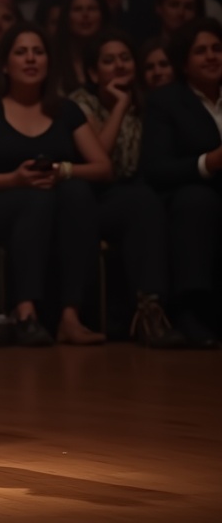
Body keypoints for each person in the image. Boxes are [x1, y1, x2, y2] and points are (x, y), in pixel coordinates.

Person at [0, 24, 112, 345]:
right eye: (21, 52)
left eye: (38, 52)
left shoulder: (65, 110)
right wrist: (14, 179)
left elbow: (103, 167)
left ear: (49, 63)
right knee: (35, 199)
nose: (31, 59)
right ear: (5, 64)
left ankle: (70, 315)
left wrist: (61, 171)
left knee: (74, 192)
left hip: (50, 208)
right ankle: (26, 312)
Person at [67, 31, 184, 346]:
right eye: (109, 61)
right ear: (94, 72)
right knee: (142, 202)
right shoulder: (81, 102)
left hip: (134, 192)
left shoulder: (150, 102)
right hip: (91, 197)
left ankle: (156, 310)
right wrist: (120, 105)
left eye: (125, 58)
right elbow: (102, 161)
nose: (119, 66)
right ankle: (147, 313)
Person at [141, 18, 222, 346]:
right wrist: (209, 162)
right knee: (196, 202)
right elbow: (157, 168)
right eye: (200, 51)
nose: (211, 56)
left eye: (217, 49)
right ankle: (191, 311)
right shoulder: (167, 102)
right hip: (189, 195)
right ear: (184, 64)